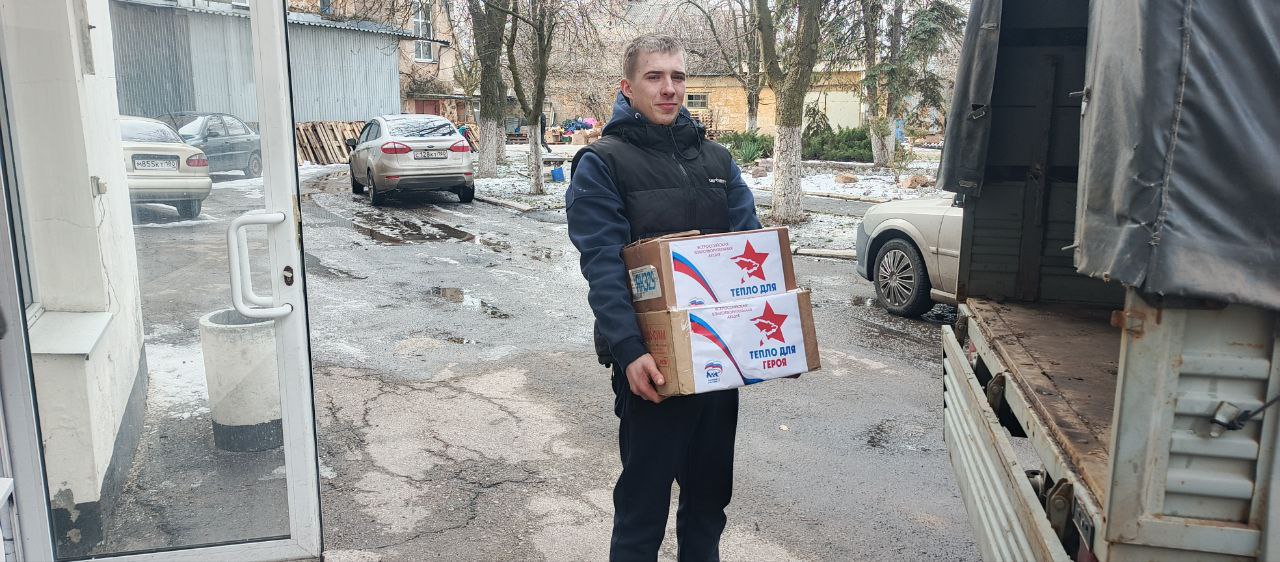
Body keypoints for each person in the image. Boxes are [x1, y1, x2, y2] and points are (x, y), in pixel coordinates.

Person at [565, 33, 760, 561]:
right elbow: (603, 265)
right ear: (627, 87)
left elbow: (750, 251)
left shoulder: (718, 161)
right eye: (654, 77)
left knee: (709, 504)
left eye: (677, 76)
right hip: (651, 368)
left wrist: (761, 344)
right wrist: (630, 351)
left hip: (717, 362)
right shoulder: (603, 163)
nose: (669, 88)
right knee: (642, 510)